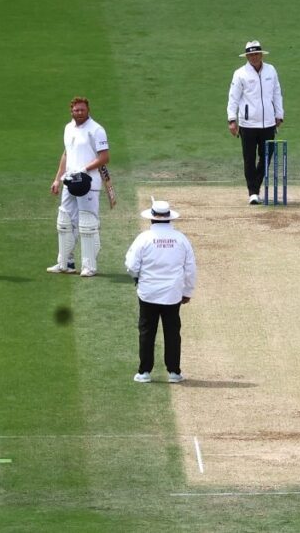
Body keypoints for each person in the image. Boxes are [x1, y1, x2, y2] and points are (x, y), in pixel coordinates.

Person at [125, 200, 197, 384]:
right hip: (173, 294)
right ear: (169, 219)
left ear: (152, 219)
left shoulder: (143, 239)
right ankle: (174, 372)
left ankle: (144, 372)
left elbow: (131, 265)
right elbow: (190, 269)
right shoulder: (181, 239)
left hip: (148, 293)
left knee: (147, 332)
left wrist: (137, 278)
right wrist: (187, 291)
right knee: (172, 332)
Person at [48, 97, 110, 277]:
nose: (79, 113)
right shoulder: (68, 128)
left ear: (88, 110)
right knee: (64, 221)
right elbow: (66, 155)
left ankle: (89, 266)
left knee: (87, 222)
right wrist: (57, 179)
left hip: (88, 182)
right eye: (76, 110)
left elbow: (104, 157)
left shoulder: (96, 130)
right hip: (70, 181)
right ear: (71, 111)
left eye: (82, 110)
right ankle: (65, 263)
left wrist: (83, 170)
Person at [227, 40, 285, 205]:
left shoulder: (270, 70)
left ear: (261, 54)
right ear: (247, 56)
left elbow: (276, 93)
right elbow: (233, 97)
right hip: (248, 123)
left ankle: (256, 184)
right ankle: (253, 192)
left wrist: (279, 114)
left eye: (256, 54)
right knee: (249, 158)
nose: (254, 57)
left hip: (268, 122)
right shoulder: (240, 73)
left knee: (267, 155)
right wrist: (232, 119)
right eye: (250, 55)